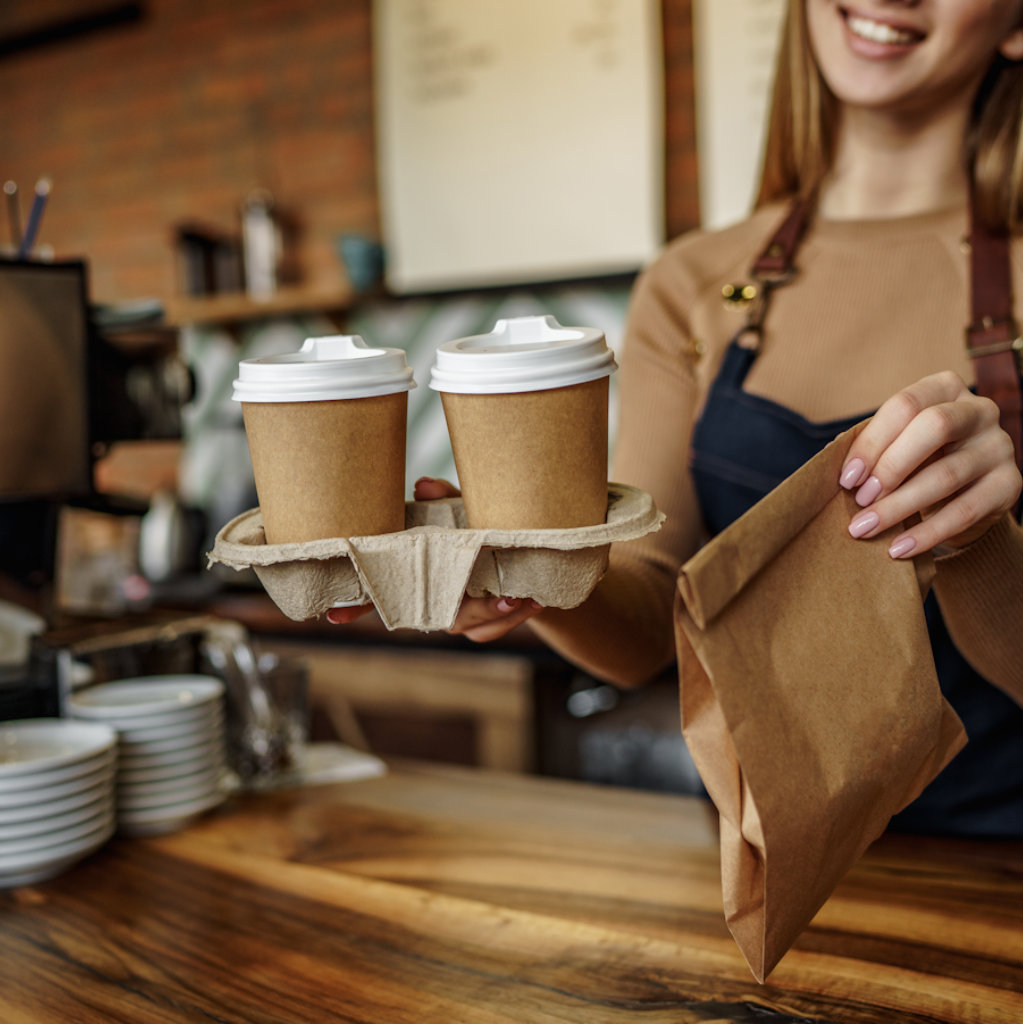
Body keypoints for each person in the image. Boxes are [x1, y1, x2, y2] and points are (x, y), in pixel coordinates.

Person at [334, 0, 1023, 837]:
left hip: (998, 865)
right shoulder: (693, 283)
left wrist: (981, 545)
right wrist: (533, 571)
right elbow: (649, 625)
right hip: (758, 871)